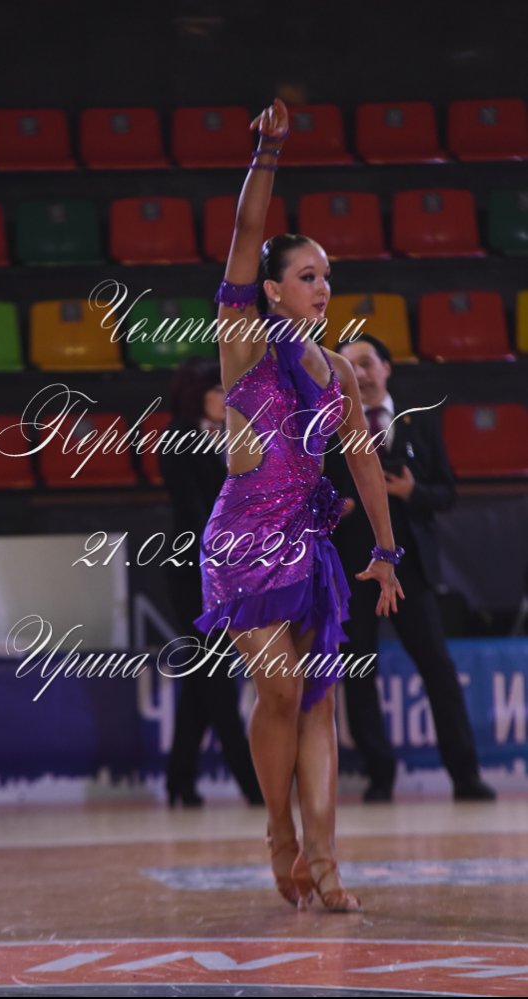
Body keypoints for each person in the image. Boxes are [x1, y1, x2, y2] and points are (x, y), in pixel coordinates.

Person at [192, 97, 405, 913]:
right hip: (242, 541)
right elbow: (246, 230)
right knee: (279, 690)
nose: (322, 287)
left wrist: (384, 550)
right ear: (273, 289)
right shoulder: (243, 340)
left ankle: (327, 860)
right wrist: (267, 154)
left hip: (307, 542)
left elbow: (363, 461)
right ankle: (279, 831)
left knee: (319, 699)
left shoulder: (339, 371)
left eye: (327, 276)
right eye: (307, 275)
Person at [326, 333, 496, 804]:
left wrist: (410, 493)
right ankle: (379, 776)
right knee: (360, 672)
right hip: (355, 569)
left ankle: (465, 774)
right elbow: (317, 492)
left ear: (386, 367)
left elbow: (446, 492)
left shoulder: (419, 422)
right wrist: (337, 508)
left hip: (411, 570)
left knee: (438, 668)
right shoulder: (329, 426)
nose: (359, 374)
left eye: (366, 362)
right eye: (349, 366)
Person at [159, 357, 263, 808]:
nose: (227, 398)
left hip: (229, 567)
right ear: (196, 394)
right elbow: (194, 510)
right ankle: (253, 786)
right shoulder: (178, 438)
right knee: (217, 678)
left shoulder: (230, 436)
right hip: (194, 570)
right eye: (217, 390)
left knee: (204, 678)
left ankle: (179, 778)